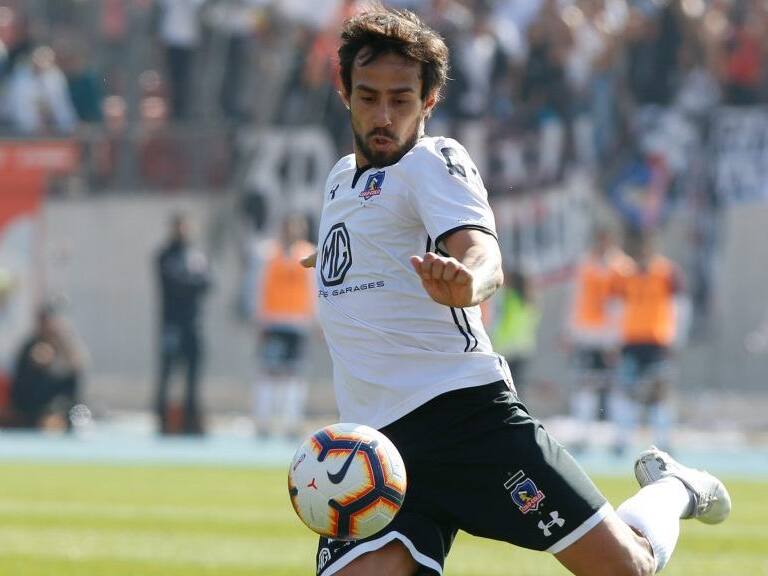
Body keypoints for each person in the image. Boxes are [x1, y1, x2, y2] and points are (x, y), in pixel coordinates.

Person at [301, 8, 730, 576]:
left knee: (626, 568)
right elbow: (367, 240)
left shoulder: (436, 161)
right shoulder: (338, 180)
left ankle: (675, 487)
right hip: (381, 455)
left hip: (467, 422)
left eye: (401, 99)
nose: (383, 115)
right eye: (369, 96)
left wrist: (468, 280)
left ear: (429, 101)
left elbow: (483, 253)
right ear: (344, 92)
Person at [610, 233, 687, 455]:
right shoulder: (626, 275)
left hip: (657, 341)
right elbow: (617, 308)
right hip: (631, 341)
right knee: (626, 391)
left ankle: (664, 440)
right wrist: (614, 339)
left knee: (659, 393)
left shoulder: (667, 272)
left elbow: (680, 307)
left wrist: (676, 338)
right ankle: (622, 439)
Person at [564, 226, 632, 451]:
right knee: (586, 384)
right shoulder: (585, 264)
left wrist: (617, 338)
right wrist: (570, 331)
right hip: (587, 334)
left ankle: (620, 438)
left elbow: (622, 306)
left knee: (615, 386)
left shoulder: (622, 267)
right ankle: (583, 435)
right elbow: (576, 298)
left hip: (610, 337)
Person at [253, 213, 316, 438]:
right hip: (273, 321)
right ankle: (263, 422)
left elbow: (314, 289)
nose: (291, 232)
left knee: (294, 373)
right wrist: (259, 319)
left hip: (298, 323)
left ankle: (292, 422)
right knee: (269, 372)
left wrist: (316, 320)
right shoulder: (268, 254)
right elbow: (258, 287)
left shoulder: (308, 253)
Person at [154, 212, 211, 435]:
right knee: (167, 373)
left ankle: (190, 419)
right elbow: (176, 285)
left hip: (193, 324)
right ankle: (163, 420)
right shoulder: (164, 255)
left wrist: (191, 282)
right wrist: (192, 282)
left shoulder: (196, 255)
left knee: (193, 375)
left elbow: (208, 282)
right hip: (172, 325)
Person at [9, 304, 84, 431]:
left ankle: (56, 417)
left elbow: (76, 367)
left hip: (59, 402)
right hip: (33, 403)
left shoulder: (63, 344)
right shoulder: (32, 344)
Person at [490, 268, 540, 399]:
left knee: (505, 385)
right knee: (518, 384)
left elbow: (498, 320)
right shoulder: (530, 301)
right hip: (524, 348)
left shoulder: (508, 298)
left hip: (507, 348)